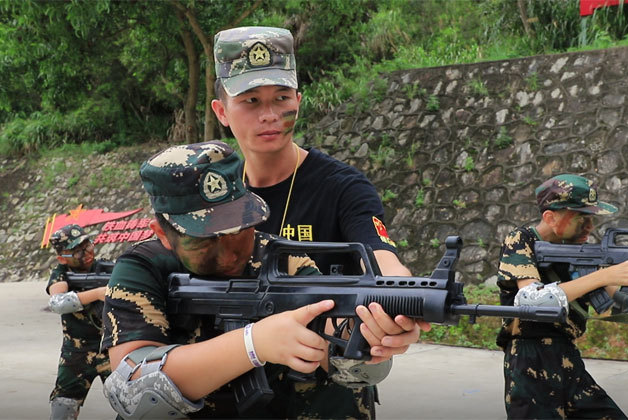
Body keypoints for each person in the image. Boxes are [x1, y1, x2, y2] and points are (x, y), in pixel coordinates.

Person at [100, 141, 425, 419]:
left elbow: (332, 332)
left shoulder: (281, 258)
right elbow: (133, 387)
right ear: (163, 235)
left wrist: (365, 335)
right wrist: (253, 344)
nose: (229, 251)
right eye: (205, 239)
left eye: (240, 228)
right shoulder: (143, 267)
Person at [210, 26, 411, 277]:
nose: (270, 116)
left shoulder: (343, 189)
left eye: (282, 98)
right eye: (251, 101)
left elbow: (381, 260)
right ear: (221, 112)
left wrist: (399, 290)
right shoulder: (214, 194)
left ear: (298, 102)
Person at [495, 174, 628, 419]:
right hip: (528, 358)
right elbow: (532, 300)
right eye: (581, 219)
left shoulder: (580, 248)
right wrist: (604, 276)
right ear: (550, 217)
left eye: (591, 219)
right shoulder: (521, 240)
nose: (590, 227)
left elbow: (625, 305)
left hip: (567, 357)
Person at [46, 224, 111, 420]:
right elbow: (57, 303)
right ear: (61, 258)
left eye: (87, 245)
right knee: (64, 405)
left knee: (133, 400)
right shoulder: (61, 273)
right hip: (77, 352)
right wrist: (98, 293)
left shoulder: (108, 267)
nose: (86, 253)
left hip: (110, 347)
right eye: (76, 251)